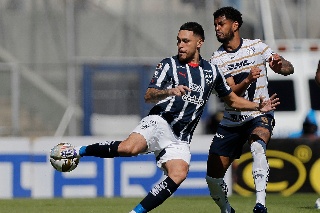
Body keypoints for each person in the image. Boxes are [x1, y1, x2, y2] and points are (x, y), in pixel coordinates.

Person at [51, 22, 279, 213]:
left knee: (179, 174)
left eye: (185, 41)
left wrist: (258, 106)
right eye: (178, 40)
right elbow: (149, 95)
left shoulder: (211, 71)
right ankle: (80, 151)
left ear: (199, 43)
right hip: (160, 122)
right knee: (128, 149)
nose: (180, 45)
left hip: (180, 139)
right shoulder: (168, 65)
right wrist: (170, 91)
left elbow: (231, 100)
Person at [206, 7, 294, 213]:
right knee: (212, 178)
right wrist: (247, 79)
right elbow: (230, 95)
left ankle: (260, 205)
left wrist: (279, 65)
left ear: (235, 26)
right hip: (232, 120)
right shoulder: (217, 60)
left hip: (259, 113)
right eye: (215, 25)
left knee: (257, 146)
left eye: (221, 24)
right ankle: (227, 209)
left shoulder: (257, 46)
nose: (217, 29)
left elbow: (289, 68)